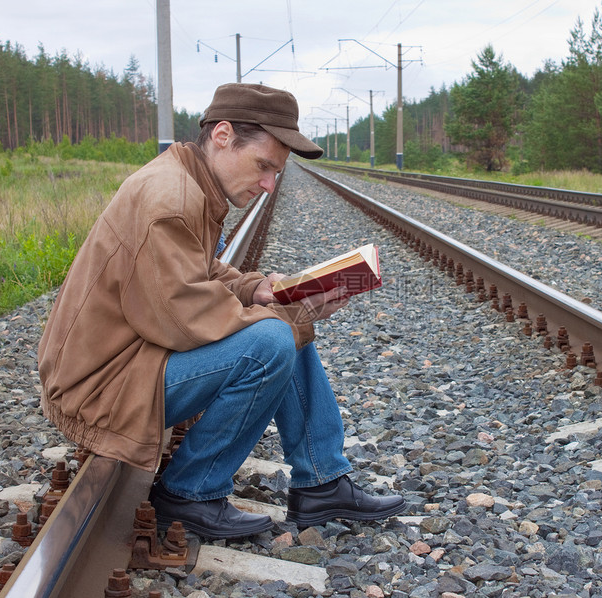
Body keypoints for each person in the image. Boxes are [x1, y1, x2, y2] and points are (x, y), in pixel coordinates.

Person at [37, 83, 405, 539]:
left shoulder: (188, 182)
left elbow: (202, 270)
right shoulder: (169, 199)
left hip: (131, 359)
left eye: (276, 173)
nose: (270, 185)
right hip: (101, 385)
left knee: (280, 318)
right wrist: (289, 316)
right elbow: (182, 318)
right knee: (271, 339)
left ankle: (321, 480)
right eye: (265, 167)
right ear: (224, 135)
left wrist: (263, 291)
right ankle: (189, 494)